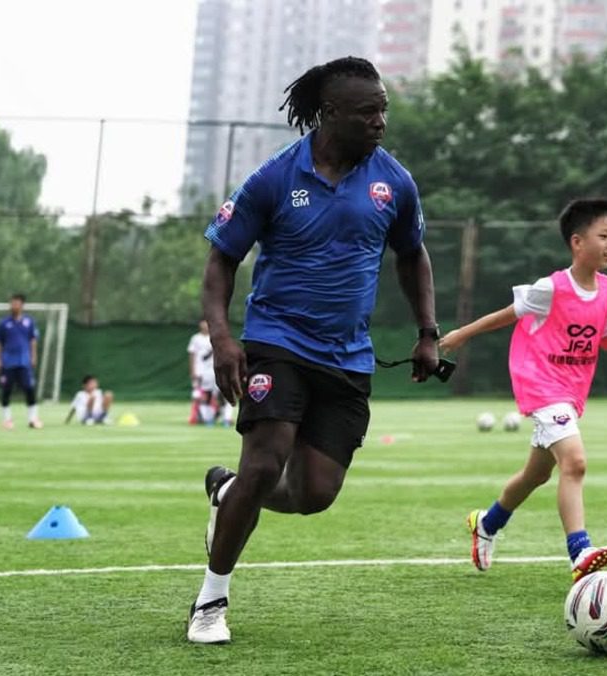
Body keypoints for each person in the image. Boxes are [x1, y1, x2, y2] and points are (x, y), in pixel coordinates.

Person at [187, 56, 439, 645]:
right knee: (264, 461)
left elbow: (412, 254)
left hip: (347, 357)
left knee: (314, 494)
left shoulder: (395, 182)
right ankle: (210, 602)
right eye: (367, 111)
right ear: (329, 113)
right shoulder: (275, 177)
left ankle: (228, 494)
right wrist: (222, 338)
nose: (380, 121)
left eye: (383, 109)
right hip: (277, 341)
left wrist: (428, 332)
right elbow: (222, 259)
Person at [439, 197, 607, 583]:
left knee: (536, 475)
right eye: (604, 236)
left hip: (571, 392)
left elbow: (606, 336)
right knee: (575, 463)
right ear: (577, 242)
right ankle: (579, 550)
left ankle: (488, 523)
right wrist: (462, 334)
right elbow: (506, 315)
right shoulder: (551, 287)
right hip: (541, 385)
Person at [0, 293, 42, 430]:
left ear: (22, 305)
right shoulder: (3, 323)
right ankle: (6, 420)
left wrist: (33, 357)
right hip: (8, 362)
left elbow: (33, 340)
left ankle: (33, 419)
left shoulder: (29, 322)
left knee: (29, 388)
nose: (14, 306)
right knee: (6, 389)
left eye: (16, 303)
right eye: (12, 303)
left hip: (24, 362)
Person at [187, 320, 212, 424]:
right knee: (197, 394)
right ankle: (196, 416)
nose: (205, 325)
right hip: (199, 370)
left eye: (207, 323)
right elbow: (192, 354)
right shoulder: (195, 338)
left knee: (212, 394)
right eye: (203, 323)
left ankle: (212, 415)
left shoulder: (213, 337)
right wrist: (193, 370)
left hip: (211, 371)